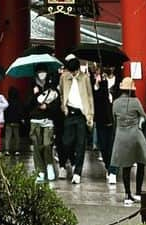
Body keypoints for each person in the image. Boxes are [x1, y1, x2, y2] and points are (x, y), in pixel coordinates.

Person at [110, 78, 146, 206]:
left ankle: (127, 194)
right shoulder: (135, 101)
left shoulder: (115, 103)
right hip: (135, 135)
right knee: (141, 163)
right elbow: (144, 115)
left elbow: (114, 120)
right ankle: (138, 192)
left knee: (125, 166)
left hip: (121, 136)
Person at [58, 54, 94, 184]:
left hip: (81, 114)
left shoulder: (85, 78)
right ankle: (69, 162)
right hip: (69, 112)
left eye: (75, 71)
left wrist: (90, 114)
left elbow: (90, 96)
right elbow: (61, 93)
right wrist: (63, 106)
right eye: (71, 71)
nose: (74, 74)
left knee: (80, 145)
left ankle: (77, 172)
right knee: (66, 142)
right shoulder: (64, 77)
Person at [28, 71, 60, 184]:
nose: (42, 74)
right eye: (39, 72)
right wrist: (35, 95)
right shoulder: (31, 86)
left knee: (47, 144)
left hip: (48, 120)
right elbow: (28, 105)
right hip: (35, 120)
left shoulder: (52, 89)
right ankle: (40, 170)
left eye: (44, 71)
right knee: (37, 147)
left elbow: (57, 105)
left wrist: (47, 106)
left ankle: (49, 165)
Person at [92, 69, 116, 185]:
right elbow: (94, 99)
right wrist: (97, 85)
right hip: (101, 119)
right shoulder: (98, 85)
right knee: (103, 146)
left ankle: (113, 171)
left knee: (112, 146)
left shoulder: (117, 82)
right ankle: (108, 166)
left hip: (114, 119)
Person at [3, 88, 24, 157]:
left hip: (8, 122)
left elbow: (5, 112)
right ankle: (17, 150)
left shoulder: (7, 102)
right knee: (17, 136)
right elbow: (20, 112)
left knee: (8, 136)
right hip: (16, 121)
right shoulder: (19, 102)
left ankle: (7, 150)